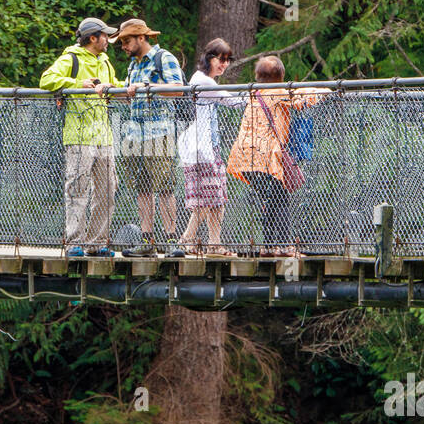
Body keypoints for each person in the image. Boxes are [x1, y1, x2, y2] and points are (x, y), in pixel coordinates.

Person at [39, 17, 136, 257]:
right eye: (105, 36)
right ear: (93, 38)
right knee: (77, 190)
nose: (109, 40)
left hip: (104, 135)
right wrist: (77, 83)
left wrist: (130, 87)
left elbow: (112, 85)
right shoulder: (70, 58)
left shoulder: (105, 61)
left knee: (107, 189)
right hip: (79, 135)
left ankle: (97, 242)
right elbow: (46, 80)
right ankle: (74, 243)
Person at [225, 56, 329, 257]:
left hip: (244, 156)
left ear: (258, 76)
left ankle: (270, 246)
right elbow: (301, 100)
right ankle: (283, 246)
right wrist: (327, 89)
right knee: (279, 199)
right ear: (280, 76)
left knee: (271, 199)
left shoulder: (256, 94)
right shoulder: (278, 92)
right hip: (266, 157)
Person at [117, 18, 186, 257]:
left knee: (165, 188)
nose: (124, 46)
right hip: (134, 134)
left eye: (127, 40)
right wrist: (108, 89)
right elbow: (129, 95)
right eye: (122, 42)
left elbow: (178, 89)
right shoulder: (132, 65)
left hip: (160, 131)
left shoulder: (163, 57)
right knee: (142, 188)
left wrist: (147, 86)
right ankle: (147, 242)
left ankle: (171, 242)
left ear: (142, 38)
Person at [177, 38, 237, 255]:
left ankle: (214, 243)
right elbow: (233, 102)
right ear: (209, 58)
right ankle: (186, 239)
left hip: (208, 148)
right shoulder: (204, 81)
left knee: (217, 199)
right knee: (206, 198)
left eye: (228, 60)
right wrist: (258, 94)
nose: (224, 64)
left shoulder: (205, 79)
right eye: (221, 59)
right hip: (199, 150)